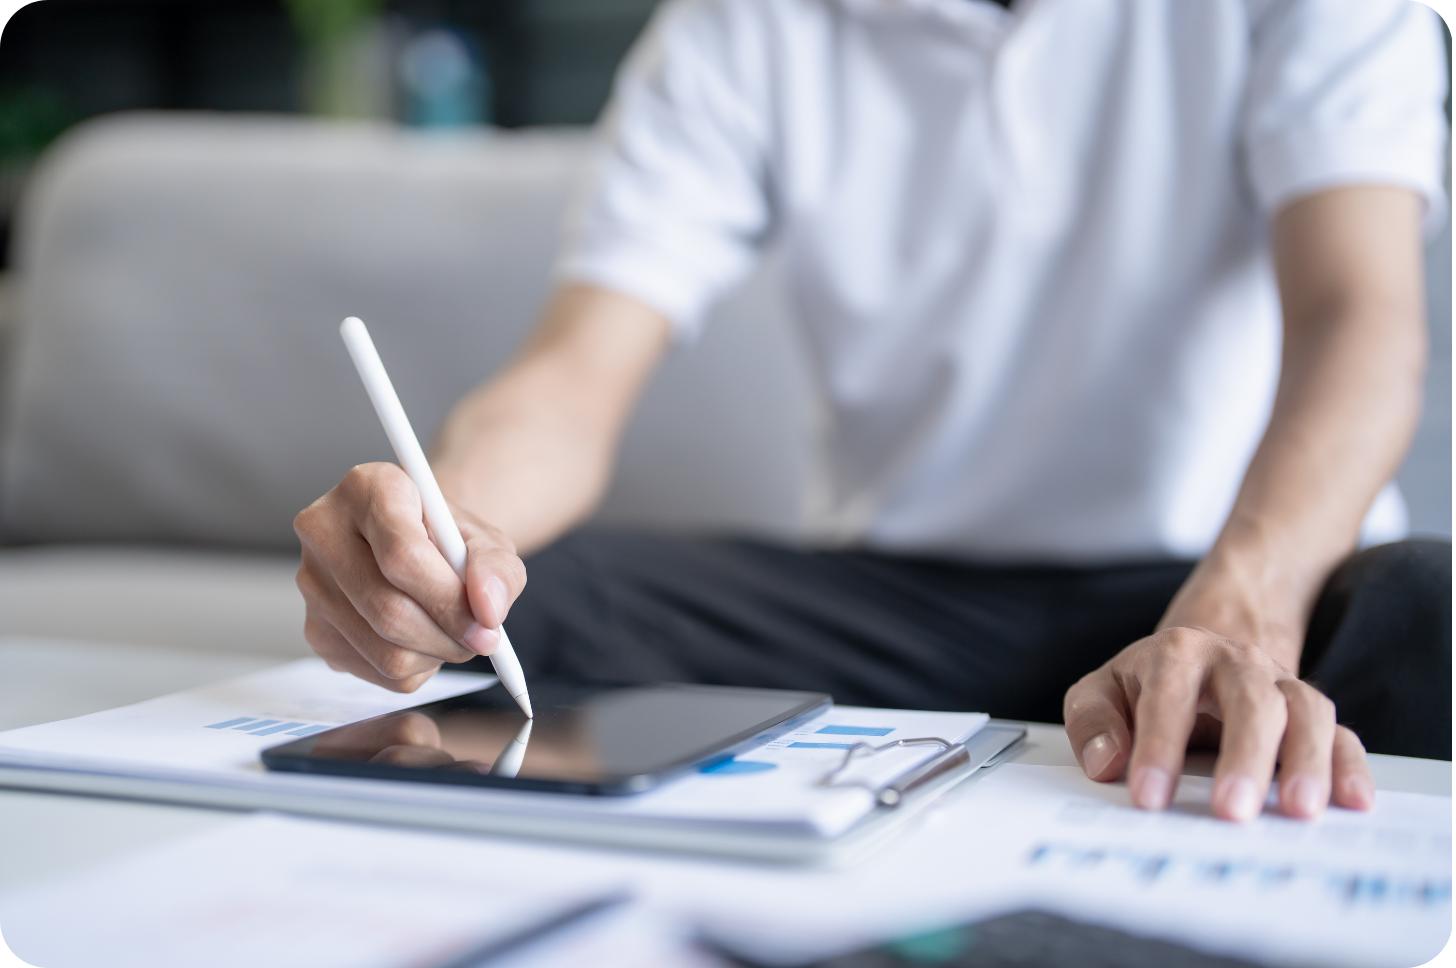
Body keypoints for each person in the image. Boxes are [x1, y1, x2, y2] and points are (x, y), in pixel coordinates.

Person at [293, 0, 1452, 823]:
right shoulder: (738, 28)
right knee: (549, 605)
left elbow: (1359, 317)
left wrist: (1239, 615)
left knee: (1426, 611)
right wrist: (444, 536)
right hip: (905, 609)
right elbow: (572, 380)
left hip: (1233, 577)